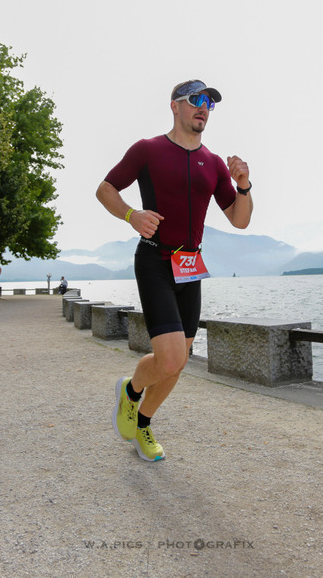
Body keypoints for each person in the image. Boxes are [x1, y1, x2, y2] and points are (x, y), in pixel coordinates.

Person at [96, 79, 253, 461]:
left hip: (190, 266)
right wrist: (132, 215)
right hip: (154, 260)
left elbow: (239, 219)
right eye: (195, 99)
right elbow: (105, 189)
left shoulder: (212, 163)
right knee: (168, 359)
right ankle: (130, 390)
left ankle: (143, 423)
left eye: (209, 103)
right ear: (174, 105)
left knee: (178, 362)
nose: (203, 108)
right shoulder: (148, 150)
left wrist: (243, 185)